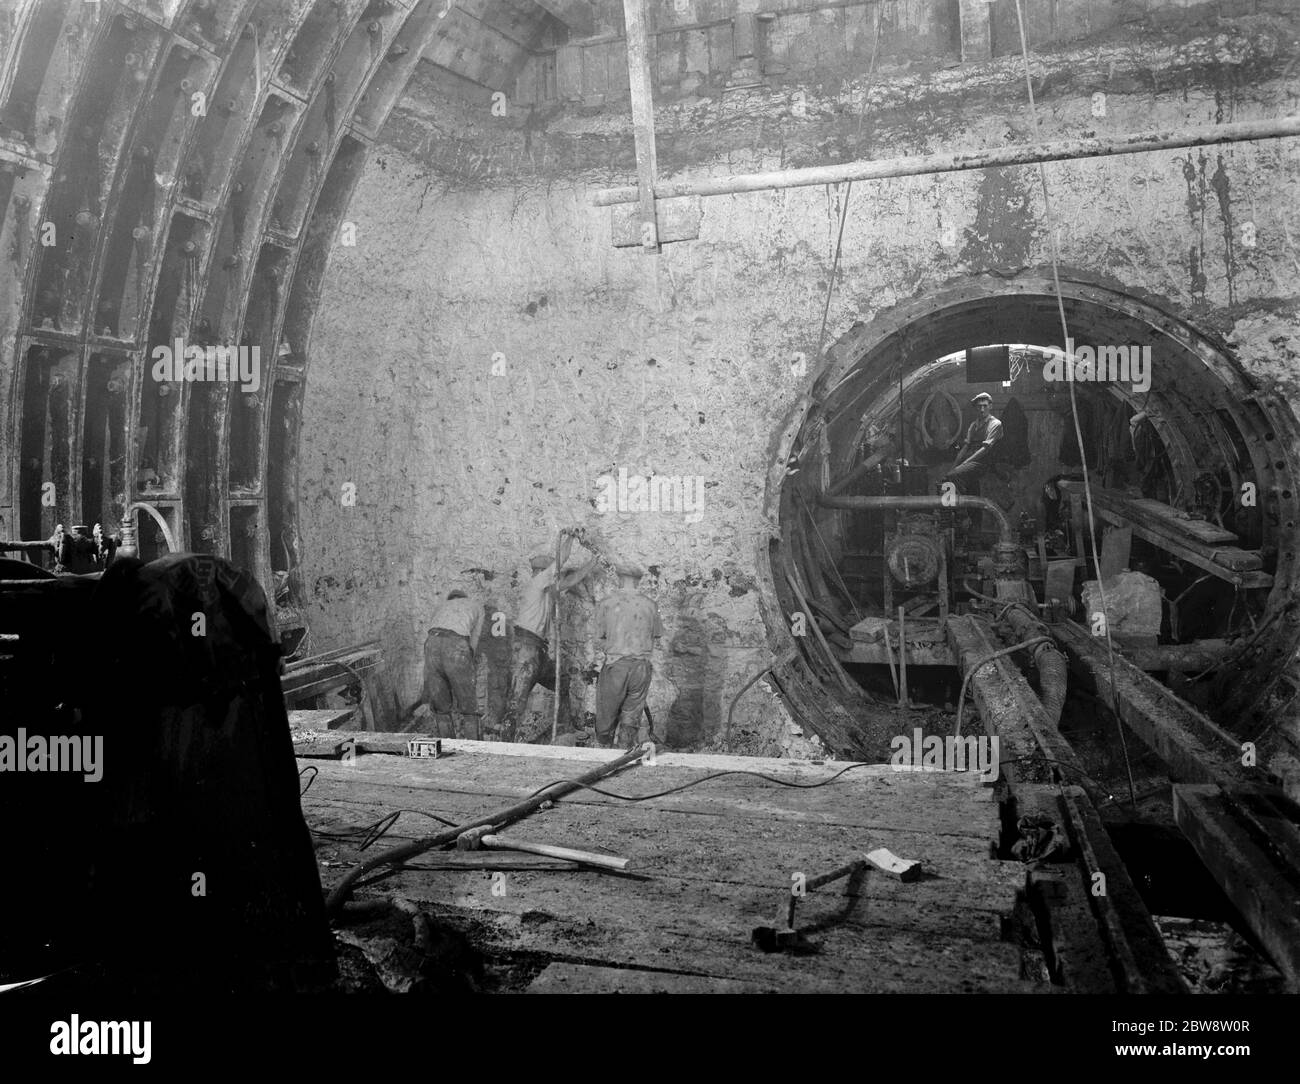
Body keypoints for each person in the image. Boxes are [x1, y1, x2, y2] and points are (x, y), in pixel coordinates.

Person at [501, 538, 597, 742]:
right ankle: (505, 744)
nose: (556, 577)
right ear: (543, 574)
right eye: (552, 574)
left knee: (561, 682)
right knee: (517, 701)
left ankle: (563, 728)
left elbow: (570, 581)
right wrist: (569, 538)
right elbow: (561, 561)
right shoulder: (536, 584)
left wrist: (592, 562)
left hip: (538, 650)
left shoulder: (547, 592)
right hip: (525, 649)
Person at [593, 562, 664, 749]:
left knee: (606, 715)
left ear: (619, 578)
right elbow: (656, 635)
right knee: (631, 715)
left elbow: (598, 638)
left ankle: (603, 754)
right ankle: (624, 751)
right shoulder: (650, 605)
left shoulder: (607, 603)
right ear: (639, 581)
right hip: (641, 667)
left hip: (616, 665)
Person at [419, 589, 484, 739]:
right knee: (469, 704)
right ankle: (473, 747)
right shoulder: (476, 606)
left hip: (432, 644)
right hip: (456, 645)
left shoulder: (442, 606)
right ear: (463, 597)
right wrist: (469, 662)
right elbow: (475, 637)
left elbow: (430, 632)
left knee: (441, 706)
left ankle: (446, 744)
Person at [944, 392, 1003, 494]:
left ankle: (965, 500)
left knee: (953, 476)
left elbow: (985, 449)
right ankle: (973, 507)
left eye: (985, 406)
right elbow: (965, 447)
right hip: (973, 460)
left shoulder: (995, 424)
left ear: (990, 406)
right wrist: (954, 466)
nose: (982, 410)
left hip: (986, 461)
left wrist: (966, 463)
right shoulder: (973, 425)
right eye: (979, 406)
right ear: (975, 408)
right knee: (955, 477)